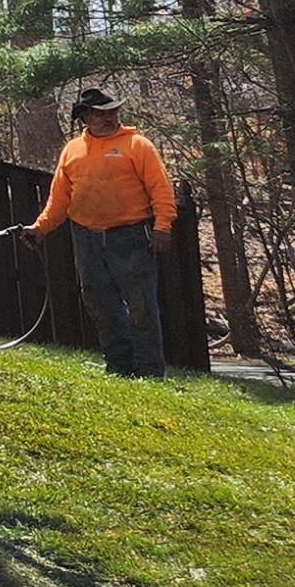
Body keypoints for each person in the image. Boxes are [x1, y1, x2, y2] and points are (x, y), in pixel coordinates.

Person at [26, 85, 180, 376]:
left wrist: (162, 226)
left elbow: (160, 189)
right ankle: (119, 367)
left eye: (113, 112)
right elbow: (59, 199)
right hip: (87, 237)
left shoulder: (137, 145)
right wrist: (40, 227)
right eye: (101, 114)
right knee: (100, 303)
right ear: (85, 117)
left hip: (132, 236)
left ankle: (149, 371)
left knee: (141, 306)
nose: (109, 118)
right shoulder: (72, 150)